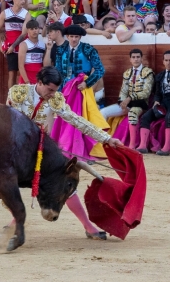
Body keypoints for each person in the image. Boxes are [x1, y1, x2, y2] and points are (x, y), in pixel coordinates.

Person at [6, 66, 121, 240]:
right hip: (16, 150)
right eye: (50, 90)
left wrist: (106, 138)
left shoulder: (56, 99)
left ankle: (89, 227)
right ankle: (14, 218)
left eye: (55, 91)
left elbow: (77, 120)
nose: (52, 94)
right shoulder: (18, 93)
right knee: (3, 183)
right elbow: (5, 121)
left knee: (63, 183)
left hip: (42, 150)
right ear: (39, 83)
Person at [100, 48, 154, 149]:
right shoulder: (127, 73)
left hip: (140, 104)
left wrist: (129, 99)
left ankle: (132, 145)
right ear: (130, 59)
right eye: (133, 57)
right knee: (103, 112)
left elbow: (146, 92)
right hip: (127, 104)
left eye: (138, 57)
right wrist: (122, 102)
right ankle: (103, 140)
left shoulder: (148, 72)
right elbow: (123, 90)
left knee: (132, 113)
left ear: (142, 58)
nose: (136, 59)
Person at [136, 50, 170, 155]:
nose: (168, 62)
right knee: (145, 117)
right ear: (163, 62)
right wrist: (156, 101)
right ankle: (143, 146)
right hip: (163, 102)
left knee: (169, 117)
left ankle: (166, 148)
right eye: (166, 60)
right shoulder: (160, 76)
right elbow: (157, 93)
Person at [0, 0, 28, 88]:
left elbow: (23, 34)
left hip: (20, 46)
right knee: (12, 74)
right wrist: (0, 46)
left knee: (22, 74)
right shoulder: (5, 13)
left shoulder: (26, 14)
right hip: (10, 46)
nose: (23, 1)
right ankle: (10, 98)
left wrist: (13, 46)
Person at [17, 19, 45, 84]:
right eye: (31, 29)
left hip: (39, 78)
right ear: (27, 31)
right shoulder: (24, 44)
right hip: (26, 77)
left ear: (39, 29)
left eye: (36, 28)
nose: (34, 31)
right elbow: (20, 66)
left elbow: (44, 64)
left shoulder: (43, 45)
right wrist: (27, 82)